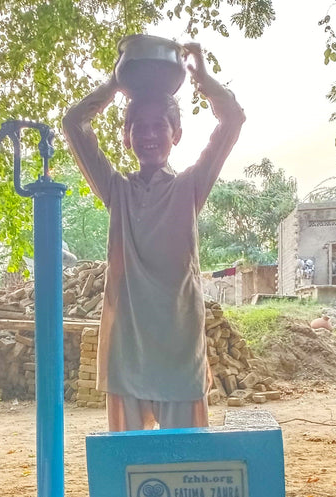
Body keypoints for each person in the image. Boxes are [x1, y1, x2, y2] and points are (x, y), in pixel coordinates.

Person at [63, 42, 245, 431]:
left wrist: (202, 77)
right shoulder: (116, 190)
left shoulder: (190, 187)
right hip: (127, 349)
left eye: (158, 126)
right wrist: (114, 83)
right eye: (137, 127)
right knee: (127, 465)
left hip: (180, 348)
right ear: (125, 138)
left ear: (175, 134)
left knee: (186, 462)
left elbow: (232, 120)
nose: (148, 135)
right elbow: (73, 123)